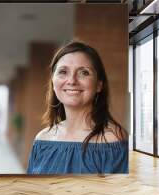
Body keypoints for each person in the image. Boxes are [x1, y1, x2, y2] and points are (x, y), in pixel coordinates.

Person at [27, 41, 128, 174]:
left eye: (83, 73)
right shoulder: (42, 139)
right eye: (63, 72)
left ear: (99, 84)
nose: (72, 80)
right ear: (53, 81)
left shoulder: (113, 140)